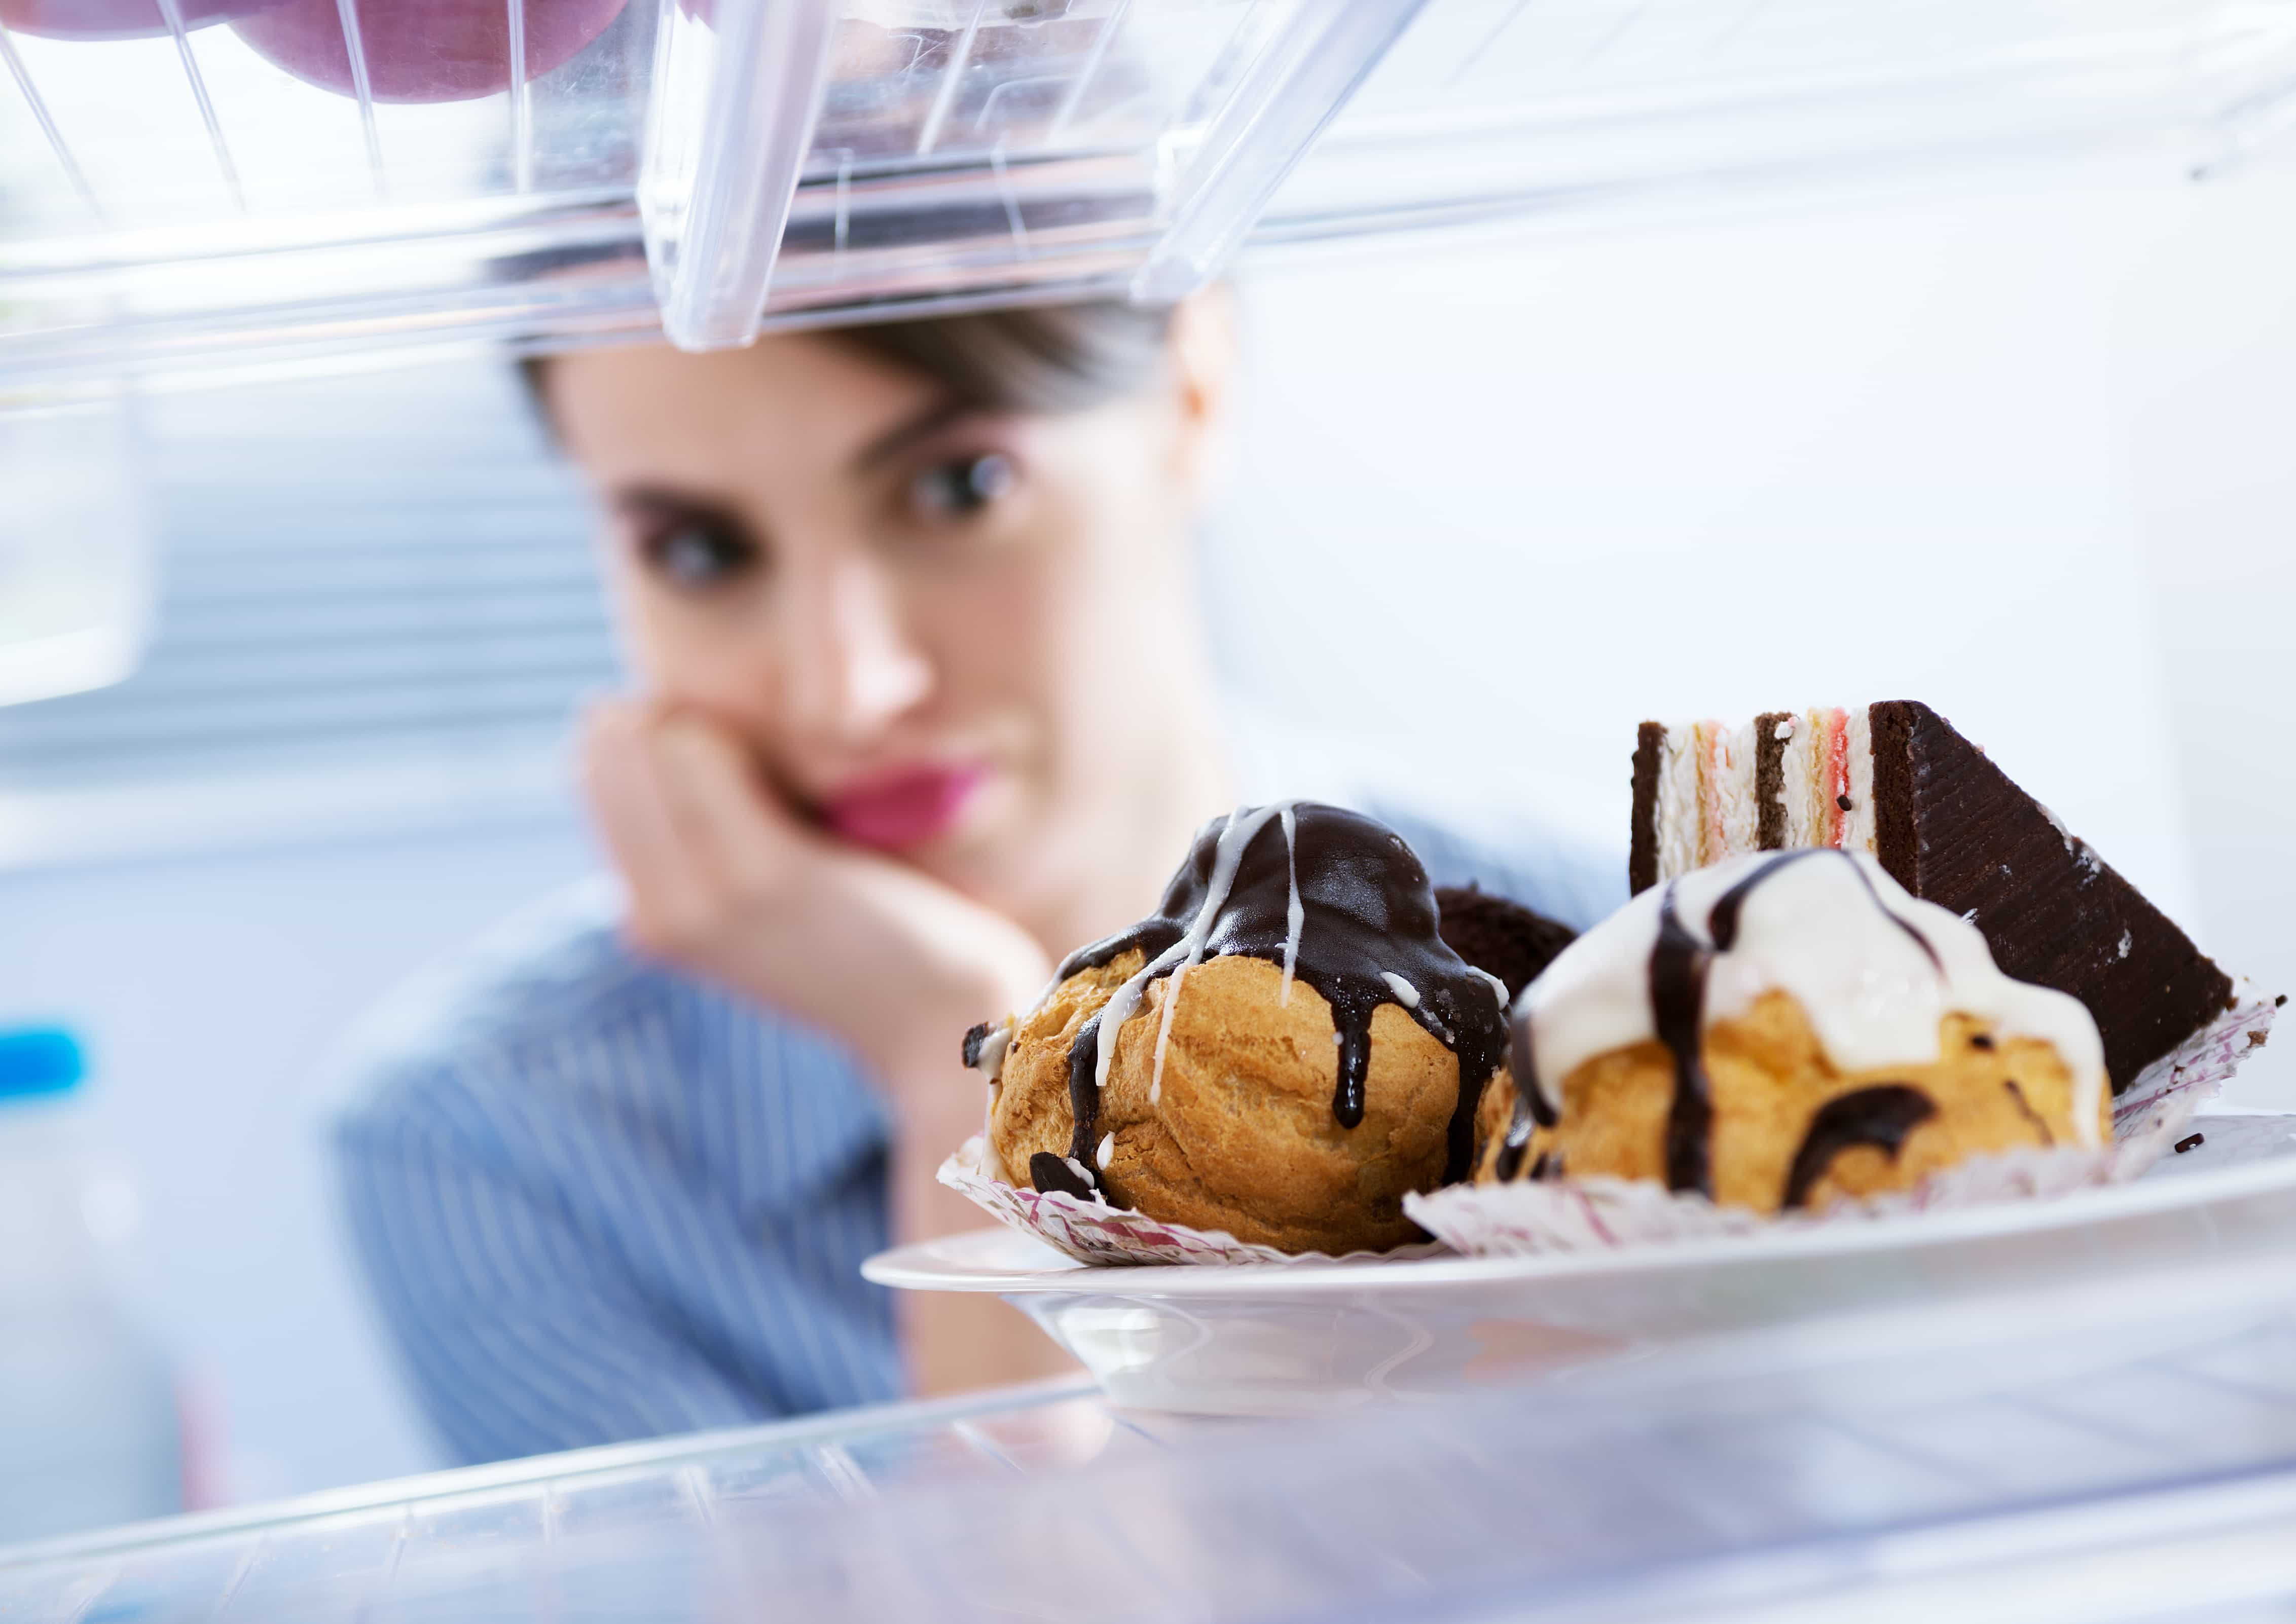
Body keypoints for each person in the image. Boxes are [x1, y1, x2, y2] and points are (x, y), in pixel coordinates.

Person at [333, 293, 1626, 1466]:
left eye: (961, 485)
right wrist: (945, 1048)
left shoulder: (1627, 948)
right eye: (700, 552)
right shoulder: (496, 1145)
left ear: (1191, 390)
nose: (853, 685)